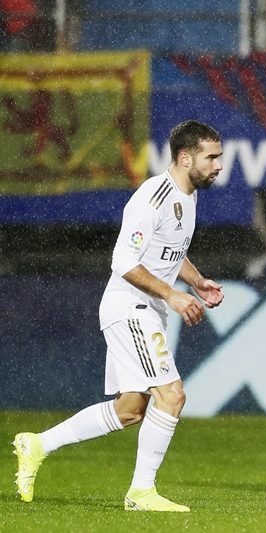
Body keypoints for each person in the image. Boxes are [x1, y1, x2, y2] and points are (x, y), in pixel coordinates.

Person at [13, 120, 225, 512]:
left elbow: (169, 252)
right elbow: (123, 261)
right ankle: (141, 493)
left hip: (147, 309)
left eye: (219, 157)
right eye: (211, 157)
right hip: (132, 307)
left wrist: (196, 282)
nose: (218, 165)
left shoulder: (188, 196)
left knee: (131, 410)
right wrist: (174, 297)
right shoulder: (152, 198)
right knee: (172, 395)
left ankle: (38, 443)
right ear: (184, 157)